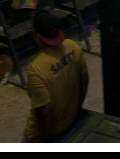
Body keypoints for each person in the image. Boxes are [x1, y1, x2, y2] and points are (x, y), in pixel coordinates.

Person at [23, 10, 89, 143]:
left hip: (47, 134)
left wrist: (43, 141)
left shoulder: (36, 69)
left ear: (37, 37)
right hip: (71, 120)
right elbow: (85, 79)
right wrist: (77, 109)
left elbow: (44, 112)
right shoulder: (73, 46)